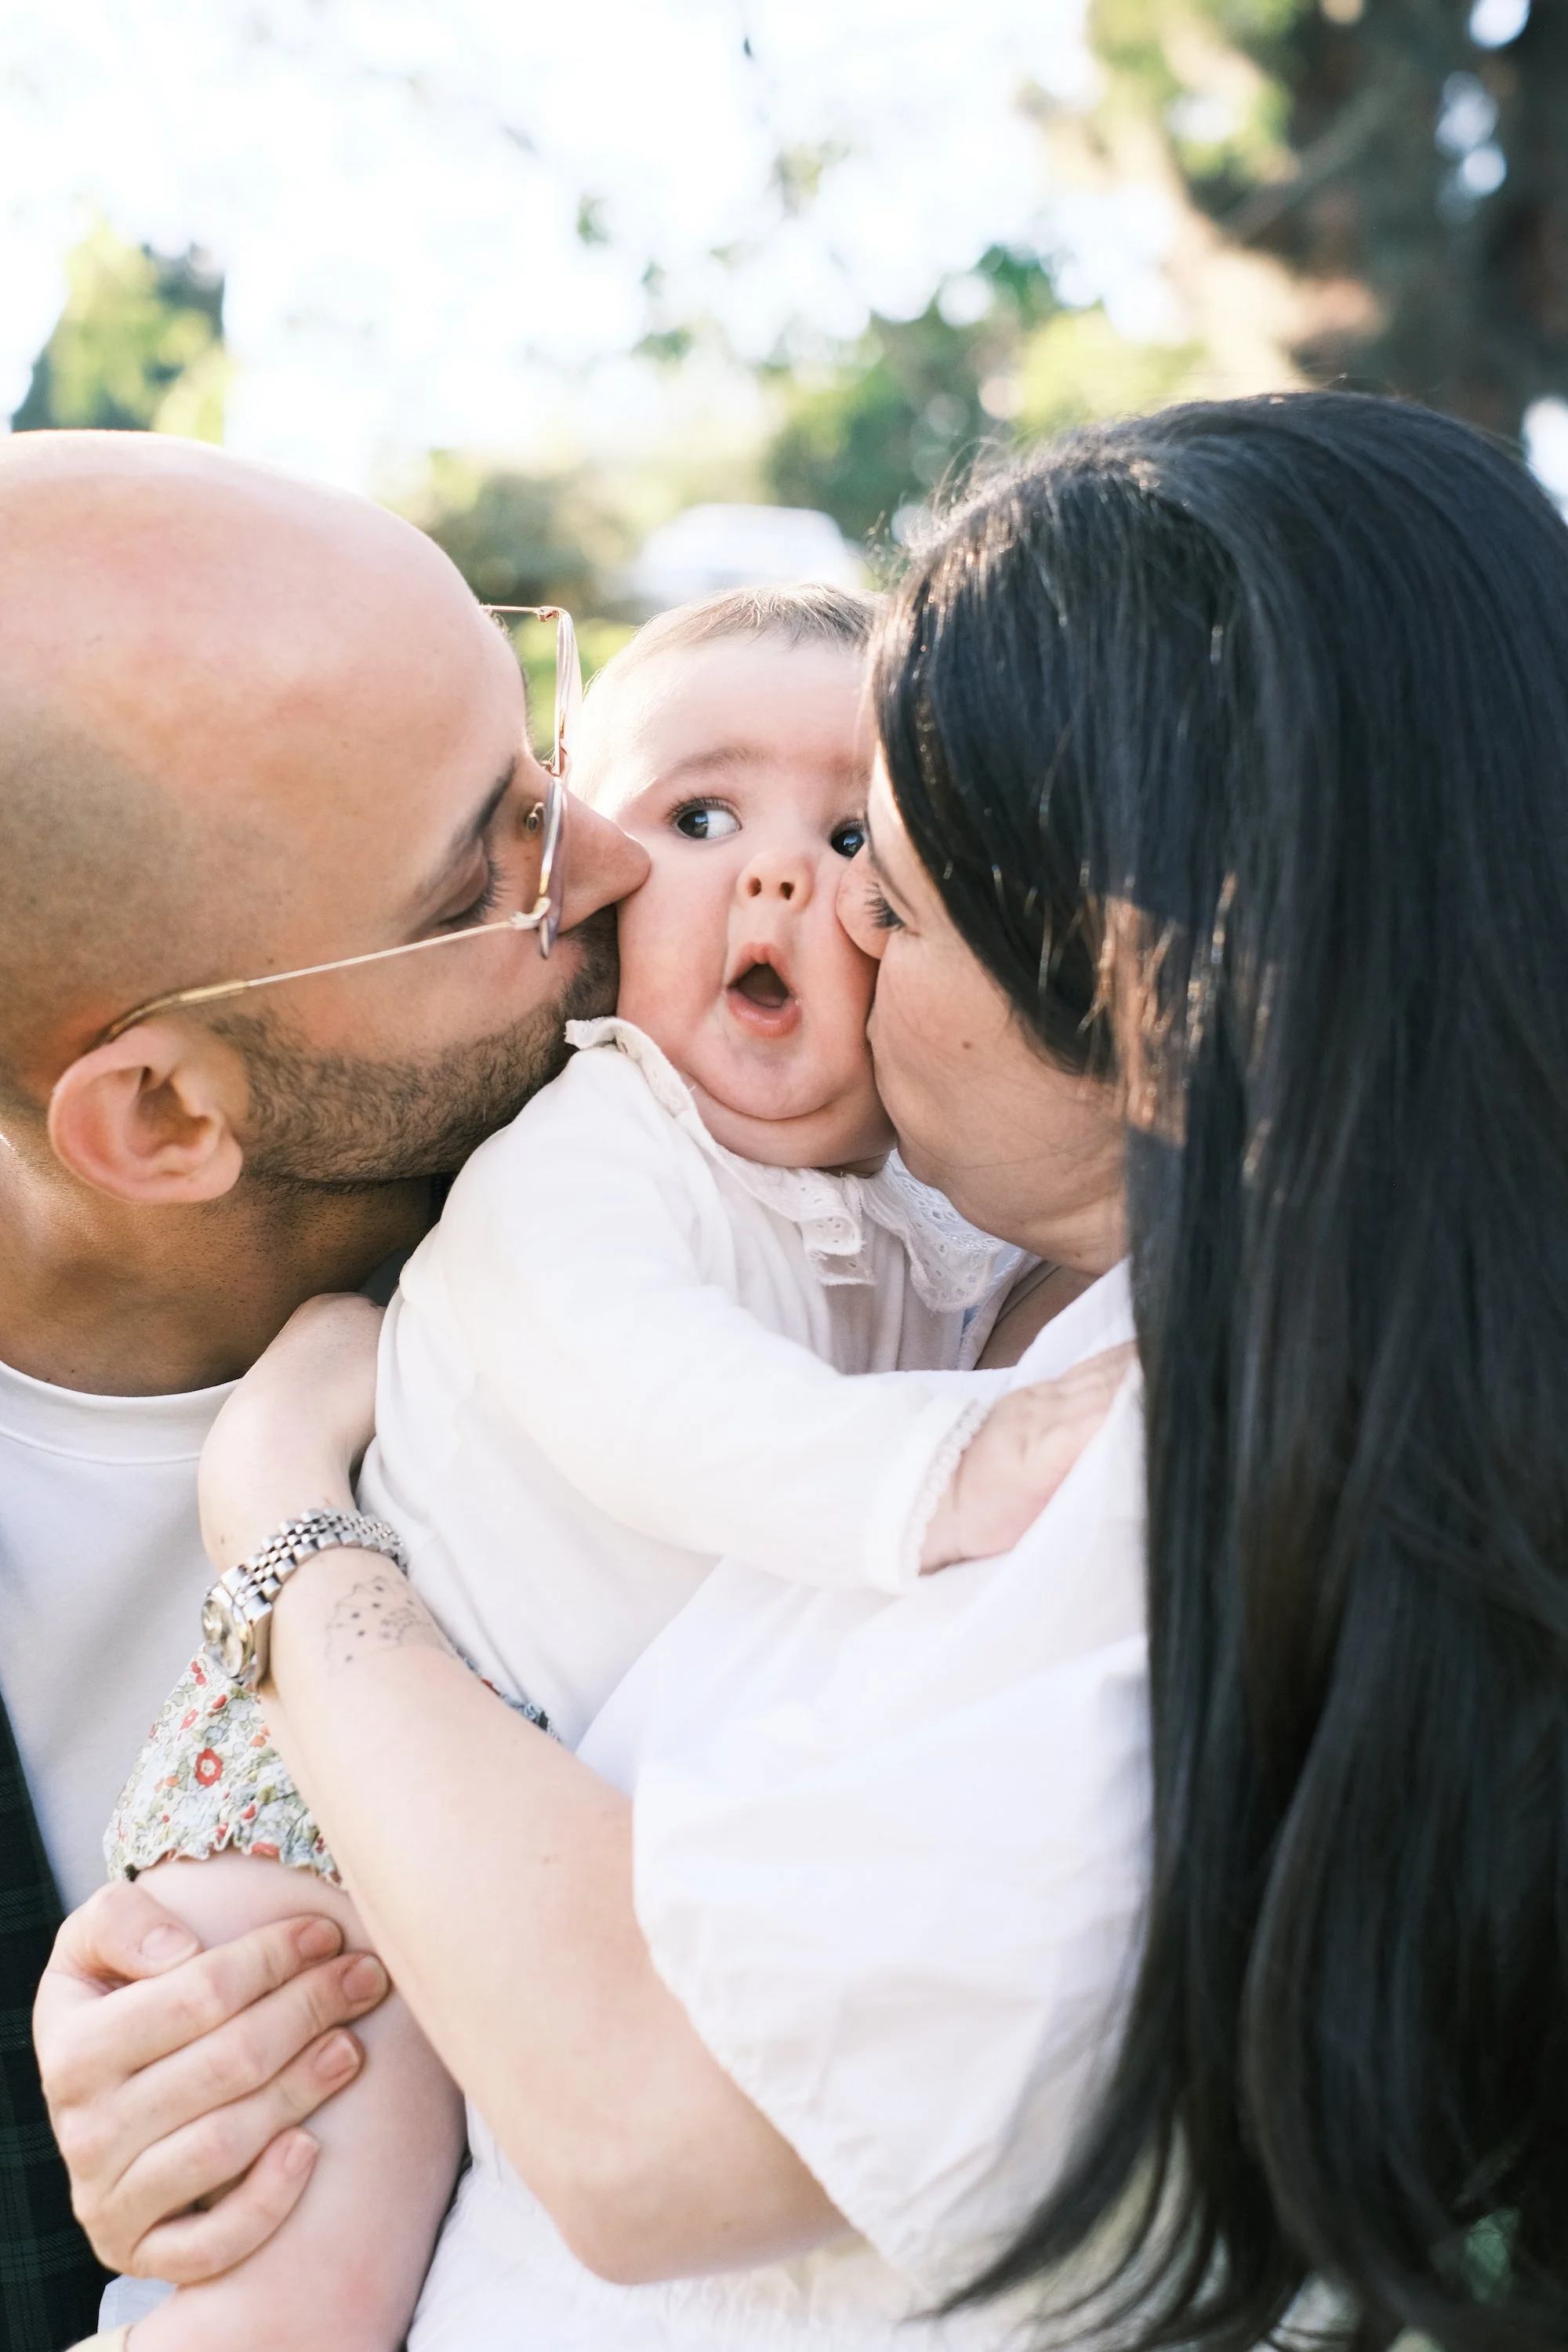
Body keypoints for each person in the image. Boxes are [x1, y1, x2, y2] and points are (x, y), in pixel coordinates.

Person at [45, 389, 1568, 2351]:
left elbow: (639, 2099)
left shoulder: (1213, 1450)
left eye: (888, 885)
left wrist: (285, 1538)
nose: (799, 909)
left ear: (1155, 995)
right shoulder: (964, 1300)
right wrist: (222, 2025)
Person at [103, 585, 1126, 2350]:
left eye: (860, 835)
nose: (788, 880)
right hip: (325, 1810)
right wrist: (943, 1472)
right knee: (289, 2282)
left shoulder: (922, 1211)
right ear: (583, 895)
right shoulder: (583, 1162)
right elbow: (657, 1400)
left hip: (515, 1827)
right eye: (702, 818)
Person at [0, 423, 648, 2350]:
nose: (605, 854)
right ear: (165, 1113)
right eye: (487, 881)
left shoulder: (719, 1215)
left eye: (547, 748)